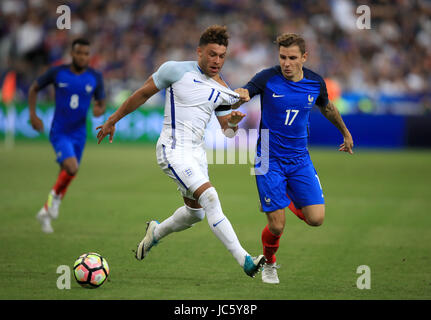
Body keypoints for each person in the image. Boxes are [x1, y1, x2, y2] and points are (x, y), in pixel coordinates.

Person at [96, 25, 265, 278]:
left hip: (197, 154)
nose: (217, 60)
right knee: (211, 198)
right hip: (172, 150)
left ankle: (155, 232)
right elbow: (142, 94)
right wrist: (113, 119)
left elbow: (226, 131)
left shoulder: (222, 88)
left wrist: (233, 121)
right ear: (199, 52)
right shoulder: (175, 70)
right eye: (212, 54)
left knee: (195, 213)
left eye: (221, 56)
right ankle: (245, 260)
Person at [235, 33, 354, 284]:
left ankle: (280, 197)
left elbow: (328, 107)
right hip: (268, 157)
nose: (286, 63)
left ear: (304, 57)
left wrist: (345, 132)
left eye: (292, 58)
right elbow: (248, 90)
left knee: (316, 219)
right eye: (282, 57)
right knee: (277, 226)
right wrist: (242, 94)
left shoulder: (314, 82)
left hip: (300, 158)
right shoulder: (267, 78)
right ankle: (269, 263)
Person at [29, 38, 106, 233]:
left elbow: (101, 102)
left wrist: (99, 109)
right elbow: (34, 88)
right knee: (72, 167)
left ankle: (45, 213)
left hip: (80, 133)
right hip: (60, 131)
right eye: (79, 53)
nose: (82, 57)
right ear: (72, 54)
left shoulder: (95, 76)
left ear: (90, 56)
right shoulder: (58, 72)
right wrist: (33, 115)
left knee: (68, 173)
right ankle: (54, 200)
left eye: (86, 54)